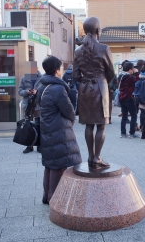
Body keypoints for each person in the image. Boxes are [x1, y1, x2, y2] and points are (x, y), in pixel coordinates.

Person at [36, 56, 82, 205]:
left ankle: (46, 195)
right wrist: (72, 118)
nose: (62, 70)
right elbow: (69, 110)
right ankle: (54, 198)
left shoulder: (42, 84)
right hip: (58, 129)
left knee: (50, 164)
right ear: (57, 70)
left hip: (47, 127)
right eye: (61, 67)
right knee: (59, 165)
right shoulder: (58, 88)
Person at [73, 17, 115, 169]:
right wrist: (103, 81)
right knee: (101, 125)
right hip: (100, 87)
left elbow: (76, 76)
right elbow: (111, 72)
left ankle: (90, 156)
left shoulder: (78, 51)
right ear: (98, 30)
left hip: (84, 89)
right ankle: (97, 157)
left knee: (89, 125)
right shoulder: (104, 48)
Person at [18, 69, 42, 154]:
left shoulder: (41, 78)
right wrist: (27, 92)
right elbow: (19, 91)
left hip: (38, 105)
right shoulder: (24, 78)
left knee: (39, 125)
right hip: (28, 105)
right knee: (28, 125)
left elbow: (45, 91)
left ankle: (40, 145)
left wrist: (37, 92)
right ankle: (29, 146)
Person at [118, 62, 140, 138]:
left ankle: (123, 133)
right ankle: (132, 133)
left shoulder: (120, 76)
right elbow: (137, 81)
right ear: (130, 69)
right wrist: (136, 73)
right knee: (134, 116)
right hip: (129, 98)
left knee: (124, 116)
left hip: (121, 98)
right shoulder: (129, 77)